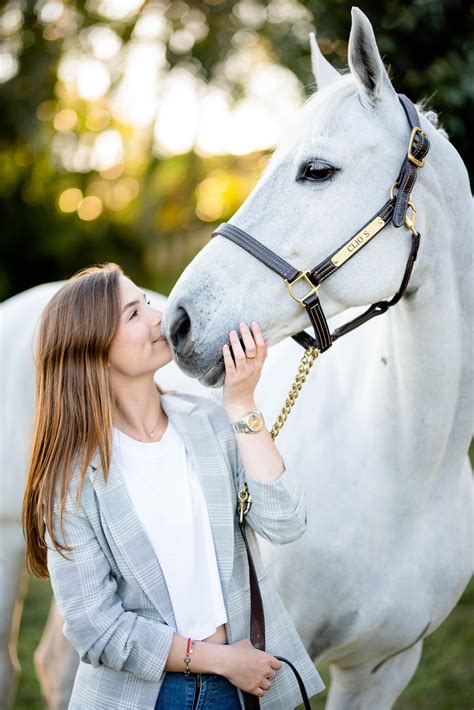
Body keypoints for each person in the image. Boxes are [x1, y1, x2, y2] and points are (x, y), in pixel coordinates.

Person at [21, 262, 325, 709]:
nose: (157, 318)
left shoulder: (209, 421)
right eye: (133, 315)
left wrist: (241, 403)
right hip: (146, 697)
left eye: (145, 302)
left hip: (241, 694)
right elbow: (95, 627)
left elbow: (285, 522)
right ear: (93, 349)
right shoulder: (67, 482)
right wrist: (220, 660)